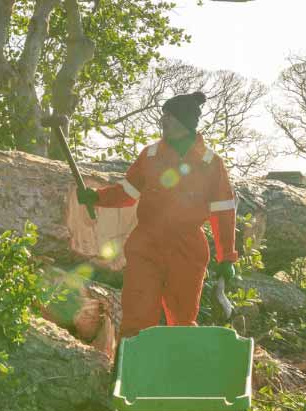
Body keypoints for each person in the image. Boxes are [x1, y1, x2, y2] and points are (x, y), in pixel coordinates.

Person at [76, 91, 238, 339]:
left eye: (170, 117)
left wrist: (226, 256)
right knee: (137, 315)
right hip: (146, 244)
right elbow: (127, 193)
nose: (164, 121)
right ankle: (129, 370)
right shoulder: (150, 155)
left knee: (183, 319)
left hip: (187, 248)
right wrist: (97, 197)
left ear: (185, 122)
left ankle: (176, 371)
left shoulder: (210, 163)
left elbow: (223, 212)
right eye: (164, 116)